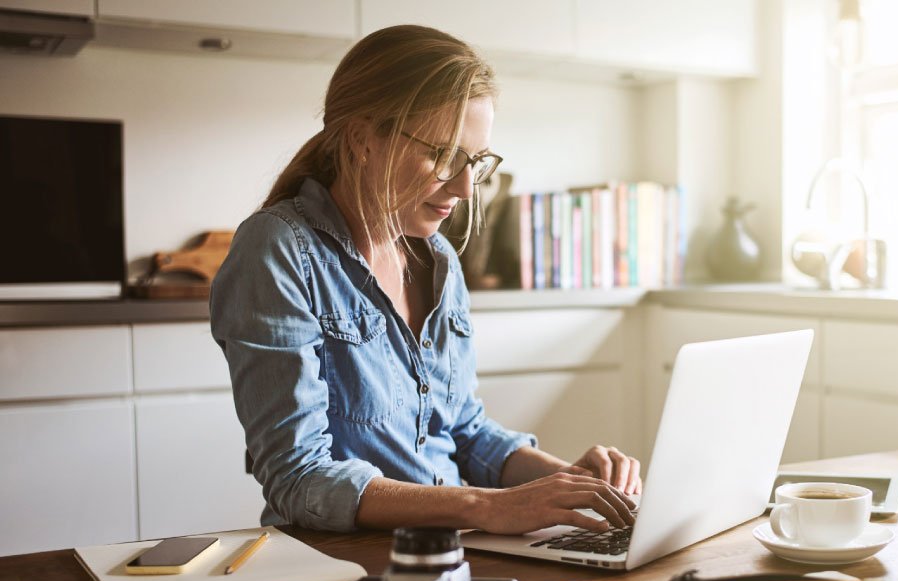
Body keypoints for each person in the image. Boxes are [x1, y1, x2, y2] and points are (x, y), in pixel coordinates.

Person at [210, 25, 640, 536]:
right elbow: (299, 477)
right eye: (442, 156)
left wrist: (573, 484)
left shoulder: (438, 261)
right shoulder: (279, 250)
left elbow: (464, 432)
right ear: (362, 140)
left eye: (475, 163)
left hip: (454, 550)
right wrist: (485, 507)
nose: (464, 187)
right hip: (340, 561)